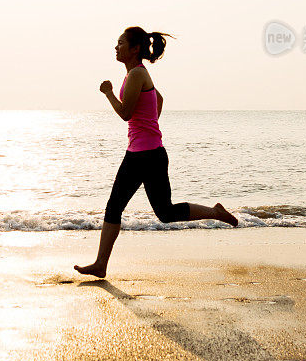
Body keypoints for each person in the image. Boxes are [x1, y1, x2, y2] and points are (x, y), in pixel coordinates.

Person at [74, 27, 239, 279]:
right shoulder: (137, 75)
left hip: (142, 155)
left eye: (120, 43)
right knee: (164, 212)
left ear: (134, 48)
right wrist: (149, 128)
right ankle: (214, 212)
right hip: (149, 152)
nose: (116, 48)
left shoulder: (136, 75)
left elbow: (126, 113)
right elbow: (158, 100)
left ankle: (100, 264)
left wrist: (108, 94)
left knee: (118, 207)